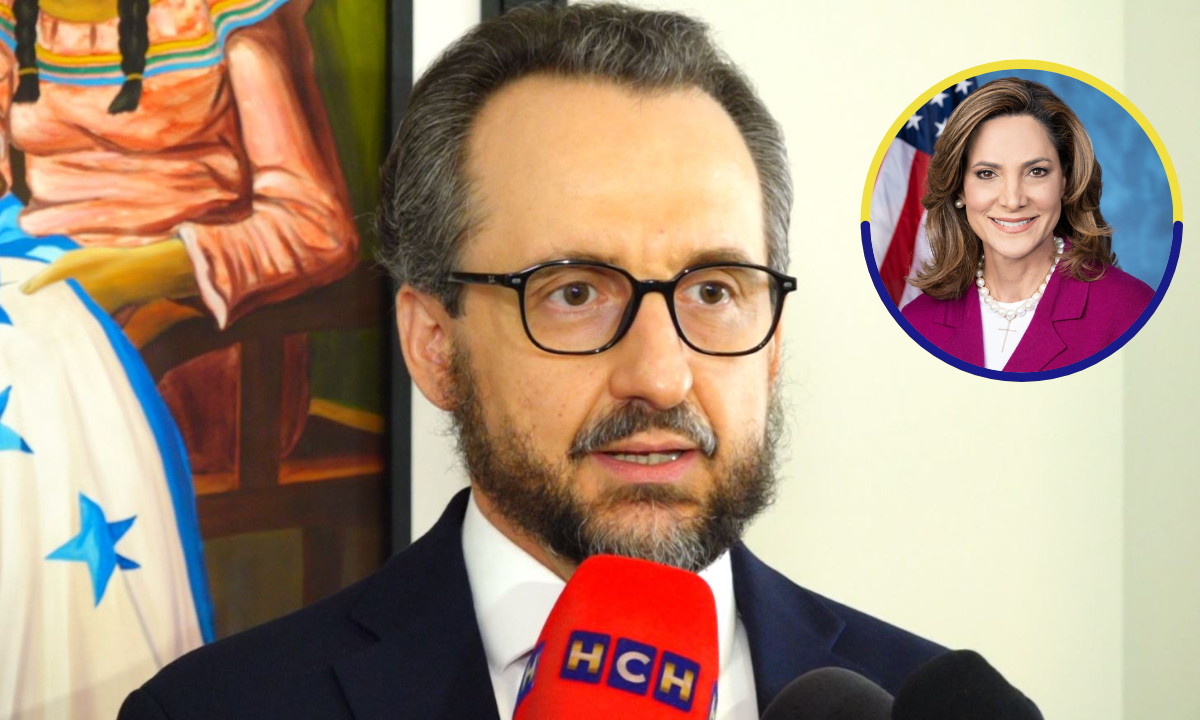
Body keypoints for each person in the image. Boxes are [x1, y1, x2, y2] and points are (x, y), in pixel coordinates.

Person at [117, 5, 944, 719]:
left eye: (713, 291)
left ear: (773, 340)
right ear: (435, 347)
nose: (661, 376)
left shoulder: (914, 700)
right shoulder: (216, 709)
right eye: (575, 293)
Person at [901, 77, 1154, 372]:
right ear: (959, 188)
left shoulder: (1132, 311)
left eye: (1036, 171)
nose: (1012, 200)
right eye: (987, 174)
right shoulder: (915, 323)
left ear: (1066, 181)